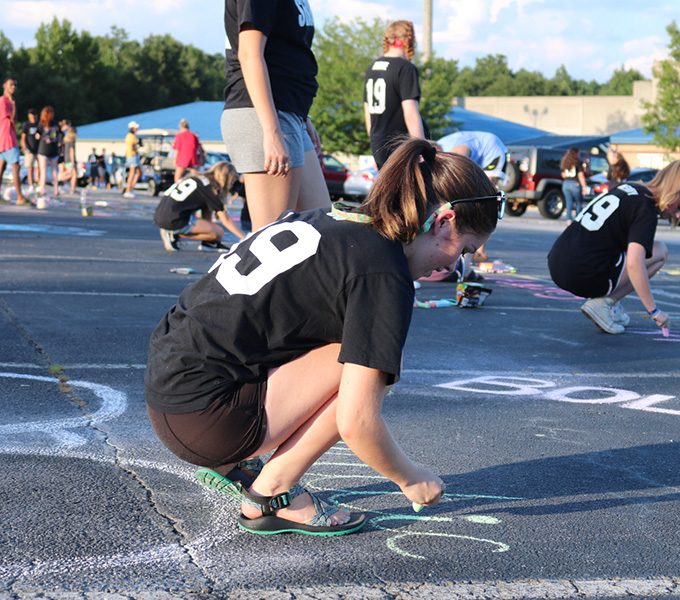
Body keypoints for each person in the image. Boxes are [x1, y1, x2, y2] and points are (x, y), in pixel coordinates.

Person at [144, 138, 503, 536]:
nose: (456, 264)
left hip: (169, 391)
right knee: (367, 364)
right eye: (465, 249)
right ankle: (272, 492)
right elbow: (357, 422)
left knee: (362, 348)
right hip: (204, 421)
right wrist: (412, 478)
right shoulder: (382, 272)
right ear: (443, 221)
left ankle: (236, 464)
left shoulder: (331, 218)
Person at [548, 159, 680, 335]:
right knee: (660, 251)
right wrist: (654, 310)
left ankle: (609, 302)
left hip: (557, 262)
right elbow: (635, 264)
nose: (679, 214)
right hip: (581, 272)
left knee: (627, 247)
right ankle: (605, 303)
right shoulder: (646, 208)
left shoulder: (629, 190)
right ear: (672, 190)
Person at [221, 0, 331, 233]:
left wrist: (302, 115)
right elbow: (249, 55)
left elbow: (286, 54)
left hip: (289, 112)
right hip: (264, 115)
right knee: (272, 241)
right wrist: (271, 131)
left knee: (320, 232)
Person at [436, 130, 508, 264]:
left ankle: (480, 250)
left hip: (492, 150)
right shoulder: (441, 148)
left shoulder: (456, 151)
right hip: (474, 154)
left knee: (486, 198)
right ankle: (472, 247)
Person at [364, 20, 426, 169]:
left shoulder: (372, 67)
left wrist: (375, 146)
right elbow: (410, 113)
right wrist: (421, 148)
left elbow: (367, 111)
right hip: (401, 146)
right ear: (408, 40)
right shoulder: (405, 68)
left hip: (378, 144)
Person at [154, 161, 247, 252]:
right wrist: (244, 238)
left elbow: (205, 208)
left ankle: (209, 243)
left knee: (207, 210)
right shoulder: (209, 188)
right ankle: (173, 234)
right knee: (219, 232)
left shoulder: (199, 179)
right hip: (173, 220)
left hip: (161, 215)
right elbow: (226, 220)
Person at [0, 77, 24, 205]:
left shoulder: (9, 101)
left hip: (6, 138)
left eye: (15, 85)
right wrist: (13, 105)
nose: (13, 87)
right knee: (15, 167)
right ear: (4, 86)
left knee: (1, 168)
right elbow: (11, 120)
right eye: (11, 85)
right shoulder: (3, 101)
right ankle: (20, 197)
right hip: (7, 138)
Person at [36, 105, 62, 202]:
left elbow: (37, 136)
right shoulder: (55, 124)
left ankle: (42, 189)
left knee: (43, 171)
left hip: (43, 149)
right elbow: (57, 137)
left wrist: (45, 138)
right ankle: (56, 189)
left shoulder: (41, 124)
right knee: (54, 170)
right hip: (53, 150)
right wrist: (51, 139)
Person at [560, 147, 589, 222]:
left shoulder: (564, 162)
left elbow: (563, 175)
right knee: (579, 202)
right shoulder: (577, 162)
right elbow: (580, 175)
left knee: (569, 202)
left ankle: (568, 219)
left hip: (566, 183)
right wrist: (584, 187)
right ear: (575, 153)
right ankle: (578, 219)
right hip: (575, 184)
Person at [20, 108, 40, 196]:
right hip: (29, 150)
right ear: (29, 116)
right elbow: (23, 138)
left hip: (39, 150)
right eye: (31, 115)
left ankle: (38, 185)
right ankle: (31, 185)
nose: (33, 117)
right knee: (30, 168)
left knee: (38, 168)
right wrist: (25, 148)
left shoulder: (39, 124)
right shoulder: (26, 125)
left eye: (34, 115)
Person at [58, 120, 78, 194]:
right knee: (71, 174)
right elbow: (71, 151)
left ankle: (73, 189)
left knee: (73, 174)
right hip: (70, 159)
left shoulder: (66, 139)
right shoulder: (71, 140)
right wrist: (73, 161)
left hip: (66, 159)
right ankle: (57, 180)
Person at [122, 121, 141, 199]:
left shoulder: (132, 135)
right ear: (132, 128)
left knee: (138, 173)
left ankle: (130, 189)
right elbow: (132, 146)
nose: (137, 129)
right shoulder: (130, 136)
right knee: (132, 173)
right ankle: (128, 191)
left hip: (133, 155)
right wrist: (137, 146)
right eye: (136, 128)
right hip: (132, 156)